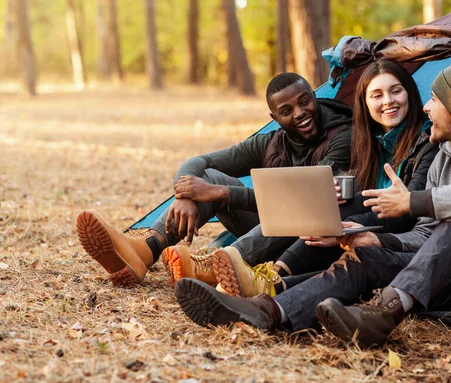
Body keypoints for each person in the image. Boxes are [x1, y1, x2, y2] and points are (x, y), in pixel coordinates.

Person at [173, 57, 451, 347]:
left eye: (433, 99)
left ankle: (386, 309)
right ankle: (267, 306)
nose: (427, 107)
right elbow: (425, 235)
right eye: (376, 95)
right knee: (366, 254)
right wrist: (375, 239)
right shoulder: (443, 153)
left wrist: (413, 201)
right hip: (434, 270)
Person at [176, 59, 439, 298]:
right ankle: (153, 245)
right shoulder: (368, 141)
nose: (388, 102)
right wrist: (184, 191)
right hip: (341, 229)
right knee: (322, 202)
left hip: (387, 236)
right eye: (377, 95)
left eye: (396, 91)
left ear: (410, 93)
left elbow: (407, 209)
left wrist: (344, 226)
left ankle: (263, 275)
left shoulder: (423, 141)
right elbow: (203, 162)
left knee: (318, 204)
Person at [76, 72, 353, 288]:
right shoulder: (272, 142)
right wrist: (187, 193)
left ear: (314, 98)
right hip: (268, 233)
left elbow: (311, 197)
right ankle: (146, 250)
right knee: (205, 177)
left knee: (297, 208)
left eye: (305, 101)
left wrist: (220, 193)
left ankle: (215, 265)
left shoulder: (342, 135)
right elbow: (200, 162)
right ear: (275, 117)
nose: (300, 113)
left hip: (314, 243)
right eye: (287, 110)